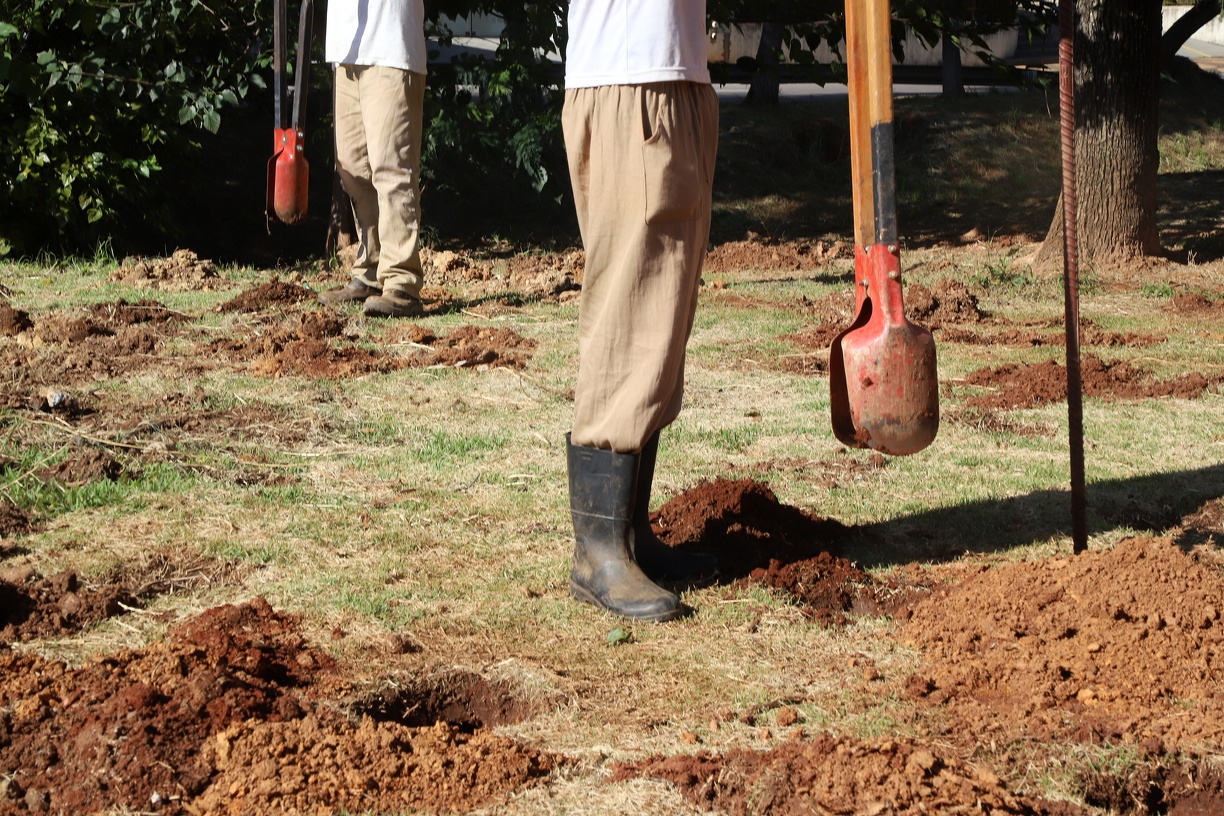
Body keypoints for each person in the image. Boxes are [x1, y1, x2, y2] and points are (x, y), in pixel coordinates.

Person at [562, 0, 720, 622]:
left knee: (659, 317)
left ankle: (628, 534)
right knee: (629, 314)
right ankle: (598, 550)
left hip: (666, 75)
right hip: (635, 78)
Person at [318, 0, 428, 318]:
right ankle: (370, 271)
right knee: (352, 166)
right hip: (346, 48)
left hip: (391, 44)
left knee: (391, 168)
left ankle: (402, 283)